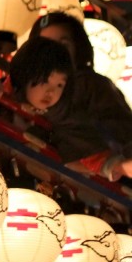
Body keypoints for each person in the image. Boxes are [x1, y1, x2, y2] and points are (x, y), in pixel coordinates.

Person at [32, 12, 132, 180]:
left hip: (107, 173)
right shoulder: (24, 85)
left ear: (77, 48)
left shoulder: (88, 84)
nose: (55, 53)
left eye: (63, 45)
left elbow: (118, 129)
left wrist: (115, 164)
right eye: (46, 46)